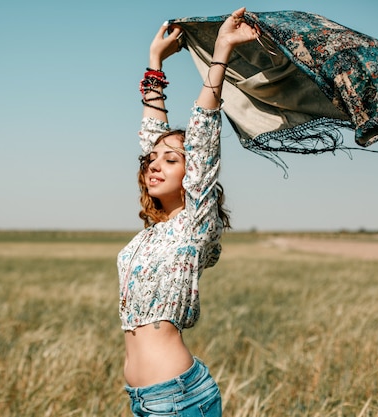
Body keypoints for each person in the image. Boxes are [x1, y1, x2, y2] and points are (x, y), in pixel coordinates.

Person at [117, 7, 260, 416]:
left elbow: (202, 136)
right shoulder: (152, 233)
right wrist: (155, 63)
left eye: (171, 160)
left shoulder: (194, 224)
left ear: (191, 172)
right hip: (143, 400)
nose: (154, 164)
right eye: (152, 161)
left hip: (178, 399)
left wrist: (221, 53)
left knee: (189, 140)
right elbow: (151, 137)